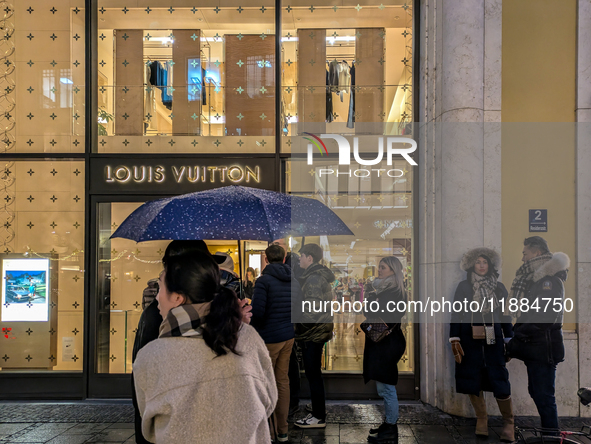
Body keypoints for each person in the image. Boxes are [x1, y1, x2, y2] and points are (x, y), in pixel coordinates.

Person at [133, 250, 277, 444]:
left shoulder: (149, 357)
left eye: (160, 288)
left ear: (177, 298)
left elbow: (149, 427)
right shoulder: (247, 338)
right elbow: (269, 402)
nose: (157, 297)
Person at [449, 248, 515, 442]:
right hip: (469, 339)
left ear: (490, 265)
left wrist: (509, 338)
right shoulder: (464, 287)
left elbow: (505, 314)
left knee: (499, 378)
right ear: (472, 265)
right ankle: (482, 419)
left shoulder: (499, 287)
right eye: (478, 262)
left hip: (493, 337)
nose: (481, 265)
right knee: (472, 378)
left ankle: (509, 422)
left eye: (485, 262)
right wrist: (454, 338)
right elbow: (456, 313)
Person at [506, 236, 570, 431]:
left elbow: (545, 317)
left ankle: (551, 436)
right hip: (537, 348)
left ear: (537, 253)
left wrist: (517, 335)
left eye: (525, 253)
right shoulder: (537, 280)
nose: (523, 258)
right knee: (537, 392)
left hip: (544, 349)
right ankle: (548, 433)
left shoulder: (549, 281)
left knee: (544, 396)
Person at [251, 245, 300, 443]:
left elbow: (258, 313)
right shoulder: (294, 281)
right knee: (282, 381)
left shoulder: (263, 281)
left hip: (268, 339)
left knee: (264, 384)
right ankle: (283, 430)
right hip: (288, 336)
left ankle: (267, 431)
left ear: (266, 258)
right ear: (284, 257)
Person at [363, 257, 407, 444]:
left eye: (383, 267)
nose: (379, 270)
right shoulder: (386, 290)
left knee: (387, 387)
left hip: (388, 343)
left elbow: (374, 312)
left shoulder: (394, 292)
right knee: (384, 385)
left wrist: (372, 299)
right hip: (385, 342)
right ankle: (388, 423)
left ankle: (391, 427)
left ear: (392, 270)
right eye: (379, 267)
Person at [294, 243, 334, 429]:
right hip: (317, 331)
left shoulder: (314, 279)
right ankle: (318, 411)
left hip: (313, 333)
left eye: (301, 256)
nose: (300, 259)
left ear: (309, 258)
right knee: (313, 374)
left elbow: (311, 310)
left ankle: (318, 417)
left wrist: (298, 327)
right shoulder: (314, 277)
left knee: (313, 374)